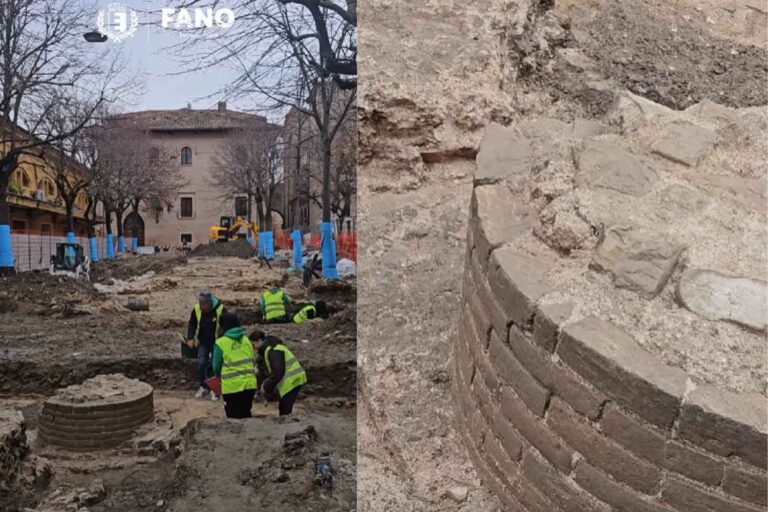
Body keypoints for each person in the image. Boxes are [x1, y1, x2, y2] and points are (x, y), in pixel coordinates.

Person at [212, 313, 257, 419]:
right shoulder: (246, 340)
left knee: (233, 420)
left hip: (231, 387)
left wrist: (218, 378)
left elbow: (216, 366)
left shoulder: (220, 342)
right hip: (249, 385)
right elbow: (252, 359)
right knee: (246, 415)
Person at [186, 290, 224, 400]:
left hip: (217, 342)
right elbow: (192, 323)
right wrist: (190, 338)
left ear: (210, 302)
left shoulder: (220, 310)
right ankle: (203, 386)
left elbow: (225, 324)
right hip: (202, 342)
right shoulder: (197, 309)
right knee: (202, 362)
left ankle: (214, 389)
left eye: (204, 304)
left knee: (214, 365)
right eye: (200, 303)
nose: (202, 306)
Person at [257, 335, 307, 416]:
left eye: (254, 344)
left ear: (259, 341)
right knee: (284, 408)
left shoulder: (273, 350)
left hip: (291, 381)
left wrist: (266, 386)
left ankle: (289, 426)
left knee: (285, 410)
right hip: (294, 379)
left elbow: (278, 372)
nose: (255, 348)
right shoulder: (276, 348)